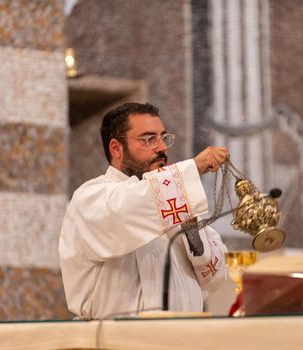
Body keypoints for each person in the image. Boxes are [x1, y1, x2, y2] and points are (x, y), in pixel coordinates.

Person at [59, 102, 229, 319]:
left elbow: (214, 278)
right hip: (114, 340)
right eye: (149, 139)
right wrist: (192, 169)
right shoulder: (91, 197)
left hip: (182, 338)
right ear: (116, 149)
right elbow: (127, 210)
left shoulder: (173, 201)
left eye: (163, 138)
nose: (162, 148)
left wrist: (191, 231)